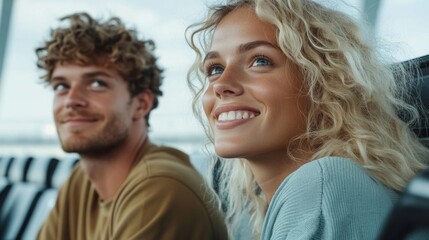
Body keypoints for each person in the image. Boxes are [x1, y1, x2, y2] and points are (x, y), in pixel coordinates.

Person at [186, 0, 429, 239]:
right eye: (215, 69)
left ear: (324, 85)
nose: (221, 84)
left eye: (260, 61)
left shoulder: (323, 188)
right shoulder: (251, 217)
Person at [35, 12, 228, 240]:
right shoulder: (80, 181)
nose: (71, 100)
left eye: (97, 83)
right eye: (61, 86)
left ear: (141, 104)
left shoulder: (158, 187)